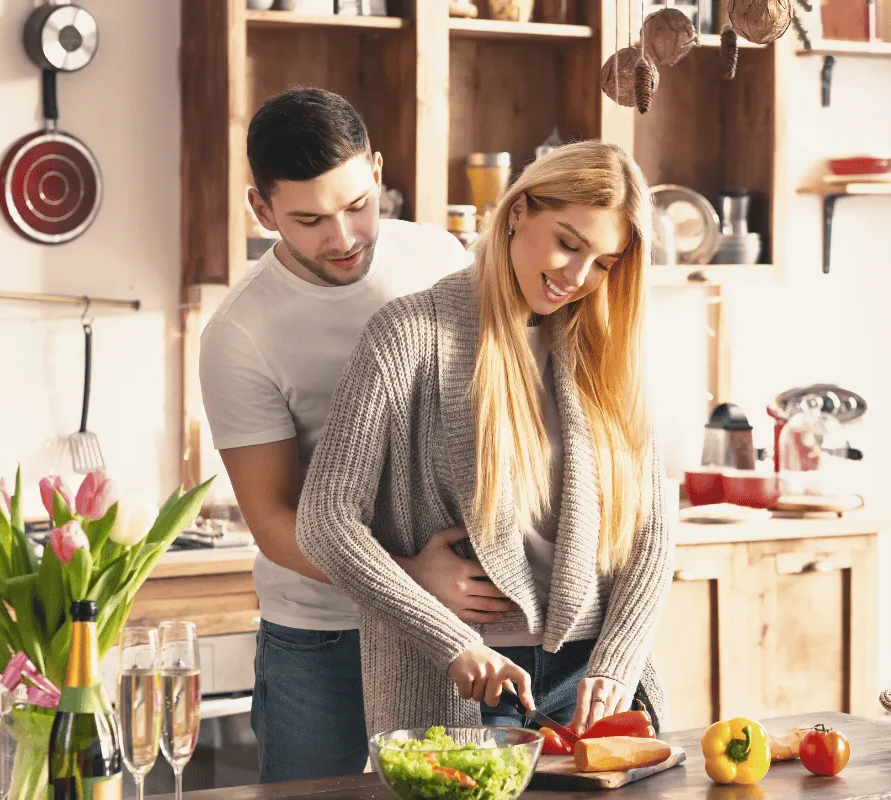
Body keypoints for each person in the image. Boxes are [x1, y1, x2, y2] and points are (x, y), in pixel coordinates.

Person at [296, 140, 674, 737]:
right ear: (518, 211)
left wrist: (618, 663)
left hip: (595, 680)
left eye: (603, 263)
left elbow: (651, 533)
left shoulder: (607, 353)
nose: (577, 277)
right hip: (465, 675)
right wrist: (448, 639)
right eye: (568, 243)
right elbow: (324, 520)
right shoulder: (408, 337)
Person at [198, 88, 517, 782]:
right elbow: (274, 521)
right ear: (261, 209)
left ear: (376, 172)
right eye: (308, 220)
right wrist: (408, 578)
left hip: (461, 623)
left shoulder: (439, 255)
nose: (342, 238)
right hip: (323, 639)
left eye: (357, 205)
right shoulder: (240, 335)